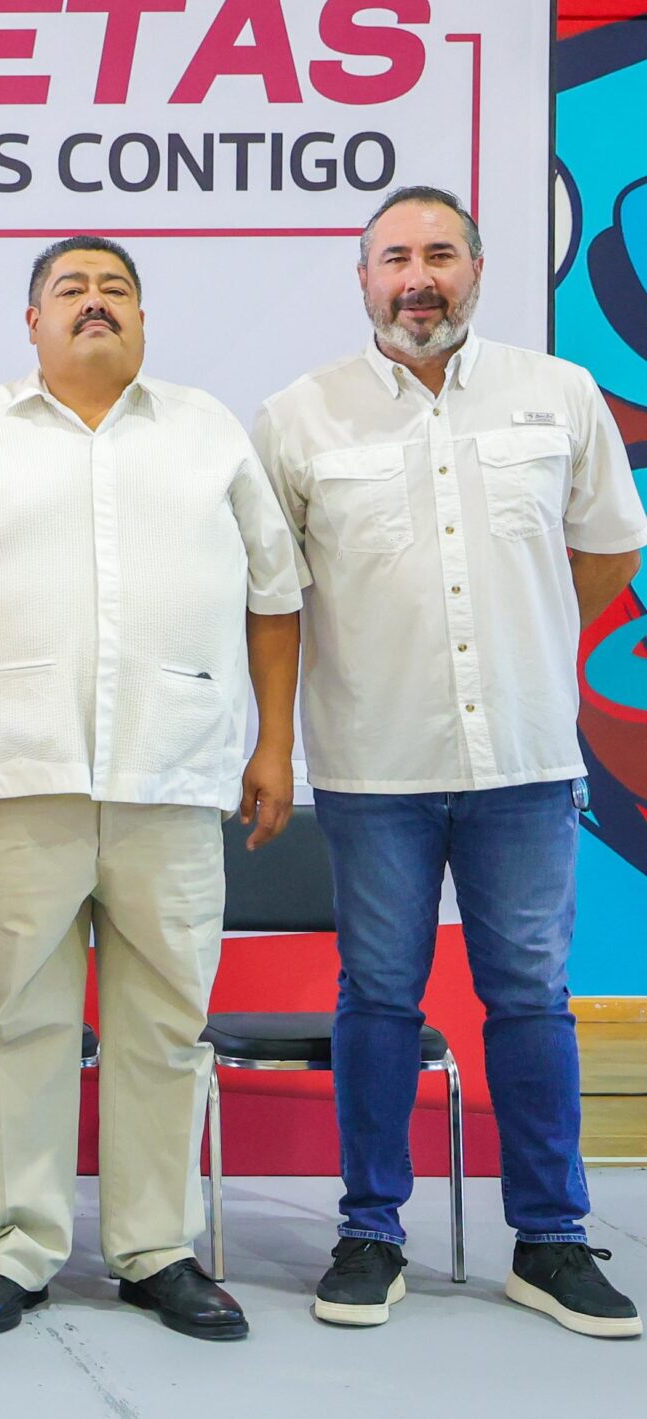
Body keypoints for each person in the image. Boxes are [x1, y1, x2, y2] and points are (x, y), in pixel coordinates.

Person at [0, 237, 302, 1342]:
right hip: (17, 772)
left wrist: (274, 745)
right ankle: (13, 1249)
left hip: (175, 770)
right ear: (32, 323)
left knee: (166, 1024)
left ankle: (155, 1249)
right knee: (21, 1021)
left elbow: (275, 592)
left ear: (144, 319)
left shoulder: (207, 431)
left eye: (116, 289)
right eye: (70, 289)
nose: (95, 302)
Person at [254, 185, 646, 1339]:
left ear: (477, 269)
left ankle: (551, 1240)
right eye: (394, 259)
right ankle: (369, 1235)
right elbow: (274, 600)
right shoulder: (298, 417)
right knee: (377, 996)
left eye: (438, 255)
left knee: (528, 995)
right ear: (362, 279)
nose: (416, 278)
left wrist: (526, 640)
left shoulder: (556, 394)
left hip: (522, 758)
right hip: (373, 763)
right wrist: (270, 742)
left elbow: (604, 552)